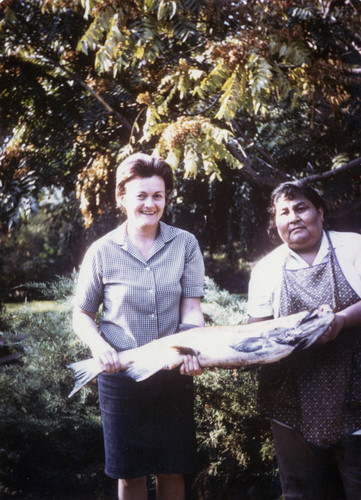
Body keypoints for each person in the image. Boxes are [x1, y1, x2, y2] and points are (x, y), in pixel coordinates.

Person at [72, 153, 205, 500]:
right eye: (141, 195)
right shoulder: (101, 251)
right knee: (129, 474)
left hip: (172, 372)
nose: (150, 204)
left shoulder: (186, 244)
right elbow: (81, 314)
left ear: (166, 197)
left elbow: (191, 309)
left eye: (157, 195)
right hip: (121, 376)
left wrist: (192, 350)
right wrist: (100, 347)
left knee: (172, 470)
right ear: (122, 198)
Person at [247, 181, 361, 499]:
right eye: (284, 212)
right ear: (276, 224)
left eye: (301, 208)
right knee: (304, 492)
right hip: (292, 398)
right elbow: (257, 334)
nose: (293, 217)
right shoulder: (266, 270)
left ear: (320, 213)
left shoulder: (353, 247)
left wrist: (341, 320)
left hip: (356, 391)